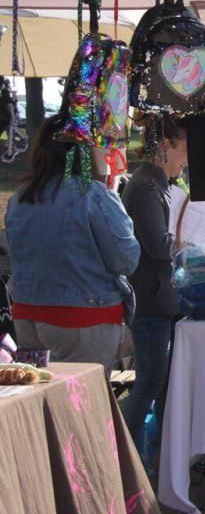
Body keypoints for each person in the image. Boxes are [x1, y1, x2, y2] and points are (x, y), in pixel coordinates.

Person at [6, 116, 140, 372]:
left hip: (28, 315)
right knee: (85, 405)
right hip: (83, 317)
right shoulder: (94, 196)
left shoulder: (19, 198)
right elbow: (126, 261)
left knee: (42, 402)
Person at [120, 114, 188, 450]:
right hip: (150, 300)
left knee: (161, 382)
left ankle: (160, 454)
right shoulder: (145, 186)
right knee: (150, 381)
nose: (187, 157)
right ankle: (127, 453)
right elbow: (157, 244)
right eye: (184, 148)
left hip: (160, 297)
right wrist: (191, 241)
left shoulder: (158, 184)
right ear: (165, 146)